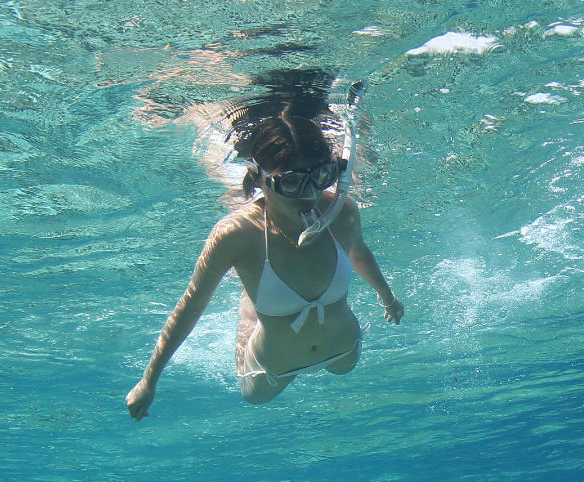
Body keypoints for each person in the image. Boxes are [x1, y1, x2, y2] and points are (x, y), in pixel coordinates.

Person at [127, 80, 402, 414]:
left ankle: (263, 284)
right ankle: (255, 291)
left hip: (343, 353)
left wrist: (388, 298)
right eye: (290, 182)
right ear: (260, 179)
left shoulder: (341, 211)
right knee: (255, 378)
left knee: (331, 350)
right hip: (268, 372)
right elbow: (191, 305)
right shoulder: (237, 234)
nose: (309, 194)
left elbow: (358, 253)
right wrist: (149, 380)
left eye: (321, 176)